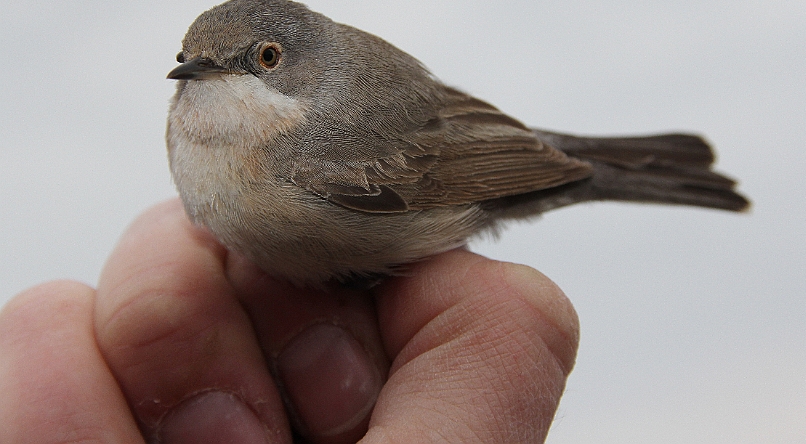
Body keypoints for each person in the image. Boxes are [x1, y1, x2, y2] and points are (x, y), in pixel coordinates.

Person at [0, 199, 579, 443]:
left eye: (264, 59)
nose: (203, 74)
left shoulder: (310, 144)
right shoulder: (205, 140)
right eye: (189, 62)